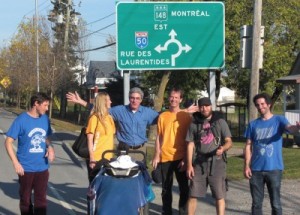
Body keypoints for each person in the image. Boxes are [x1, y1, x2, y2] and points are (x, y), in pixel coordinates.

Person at [244, 92, 300, 215]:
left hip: (274, 169)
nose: (260, 107)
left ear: (269, 104)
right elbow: (248, 146)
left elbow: (290, 128)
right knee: (256, 204)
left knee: (276, 203)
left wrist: (298, 128)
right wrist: (247, 166)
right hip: (256, 170)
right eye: (257, 105)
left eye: (263, 104)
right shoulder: (253, 124)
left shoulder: (279, 120)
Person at [5, 92, 55, 215]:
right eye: (45, 105)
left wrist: (50, 147)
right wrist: (16, 163)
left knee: (41, 200)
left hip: (42, 167)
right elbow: (8, 142)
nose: (47, 108)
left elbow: (46, 137)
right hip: (25, 168)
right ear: (36, 104)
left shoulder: (45, 119)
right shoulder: (21, 120)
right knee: (25, 200)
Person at [186, 97, 232, 215]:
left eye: (206, 106)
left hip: (217, 162)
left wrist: (223, 148)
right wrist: (189, 165)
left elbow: (229, 141)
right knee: (193, 194)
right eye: (202, 106)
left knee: (219, 195)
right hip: (199, 162)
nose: (204, 108)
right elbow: (190, 144)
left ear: (211, 106)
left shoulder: (220, 121)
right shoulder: (194, 123)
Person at [152, 88, 192, 215]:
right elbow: (159, 137)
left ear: (180, 99)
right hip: (165, 157)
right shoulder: (163, 116)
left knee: (184, 189)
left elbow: (189, 140)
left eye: (176, 97)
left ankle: (183, 212)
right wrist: (156, 155)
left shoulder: (186, 116)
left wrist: (186, 159)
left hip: (181, 157)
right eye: (171, 97)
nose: (173, 99)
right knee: (166, 189)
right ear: (168, 98)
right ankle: (166, 212)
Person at [86, 92, 116, 183]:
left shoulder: (109, 118)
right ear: (103, 102)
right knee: (95, 185)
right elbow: (89, 139)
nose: (111, 102)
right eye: (108, 100)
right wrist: (92, 158)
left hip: (108, 157)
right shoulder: (94, 118)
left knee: (105, 185)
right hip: (97, 157)